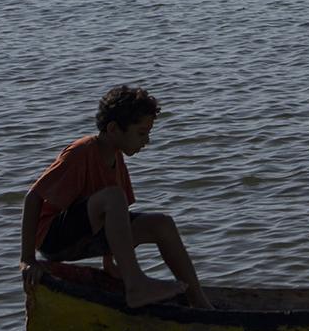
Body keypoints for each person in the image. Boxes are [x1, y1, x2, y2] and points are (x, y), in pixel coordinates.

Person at [20, 85, 209, 309]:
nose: (146, 141)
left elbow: (114, 220)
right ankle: (136, 285)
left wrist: (109, 263)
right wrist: (27, 260)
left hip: (86, 235)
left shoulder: (116, 158)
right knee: (114, 197)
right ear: (113, 129)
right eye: (141, 133)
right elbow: (33, 197)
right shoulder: (82, 151)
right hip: (54, 239)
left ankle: (200, 302)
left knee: (162, 224)